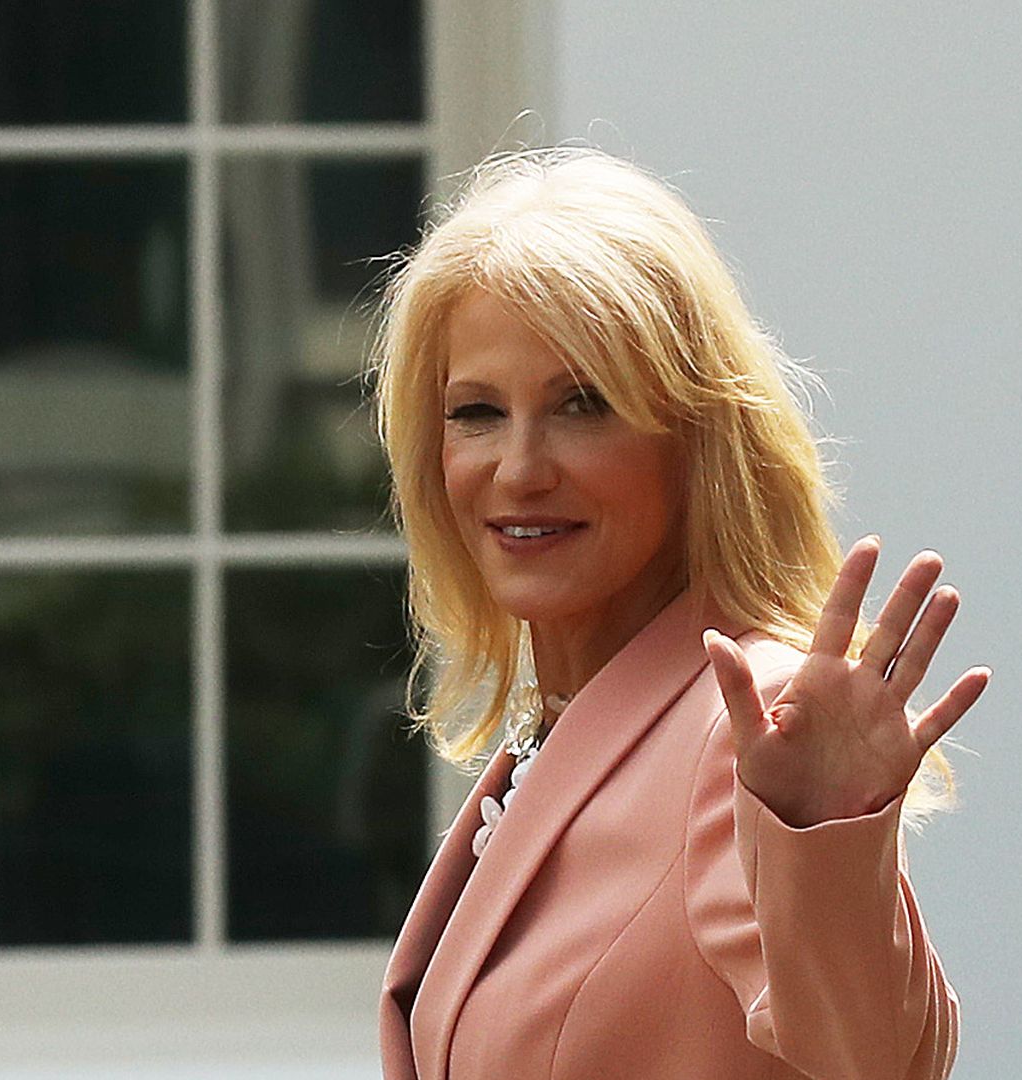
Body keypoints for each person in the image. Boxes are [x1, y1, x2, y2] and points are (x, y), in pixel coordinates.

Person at [366, 145, 990, 1080]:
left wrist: (824, 834)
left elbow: (869, 1060)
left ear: (696, 440)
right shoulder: (568, 726)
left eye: (584, 405)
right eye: (477, 413)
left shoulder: (744, 723)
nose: (521, 469)